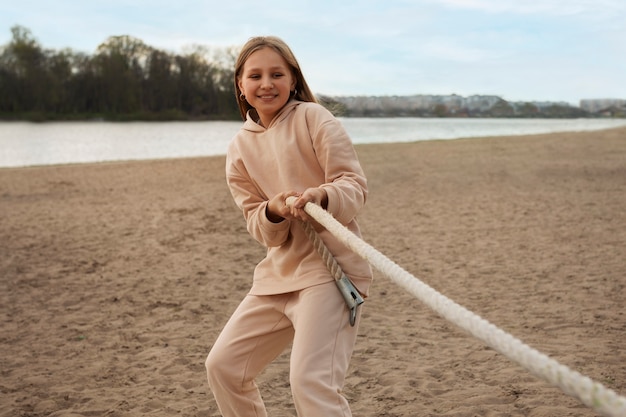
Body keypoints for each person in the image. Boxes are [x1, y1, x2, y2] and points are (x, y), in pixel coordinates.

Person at [205, 35, 373, 417]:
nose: (267, 83)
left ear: (293, 79)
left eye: (277, 74)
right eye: (256, 76)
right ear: (241, 86)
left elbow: (354, 185)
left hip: (330, 274)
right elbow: (257, 224)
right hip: (277, 278)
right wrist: (274, 211)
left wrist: (320, 197)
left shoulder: (314, 118)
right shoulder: (238, 149)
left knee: (310, 383)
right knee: (224, 368)